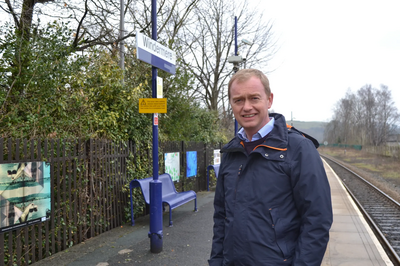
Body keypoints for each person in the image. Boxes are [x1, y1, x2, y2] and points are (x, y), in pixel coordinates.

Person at [209, 69, 332, 266]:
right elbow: (221, 218)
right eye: (238, 100)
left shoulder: (298, 149)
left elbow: (317, 221)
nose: (246, 107)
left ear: (269, 100)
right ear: (231, 104)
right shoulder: (231, 153)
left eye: (254, 98)